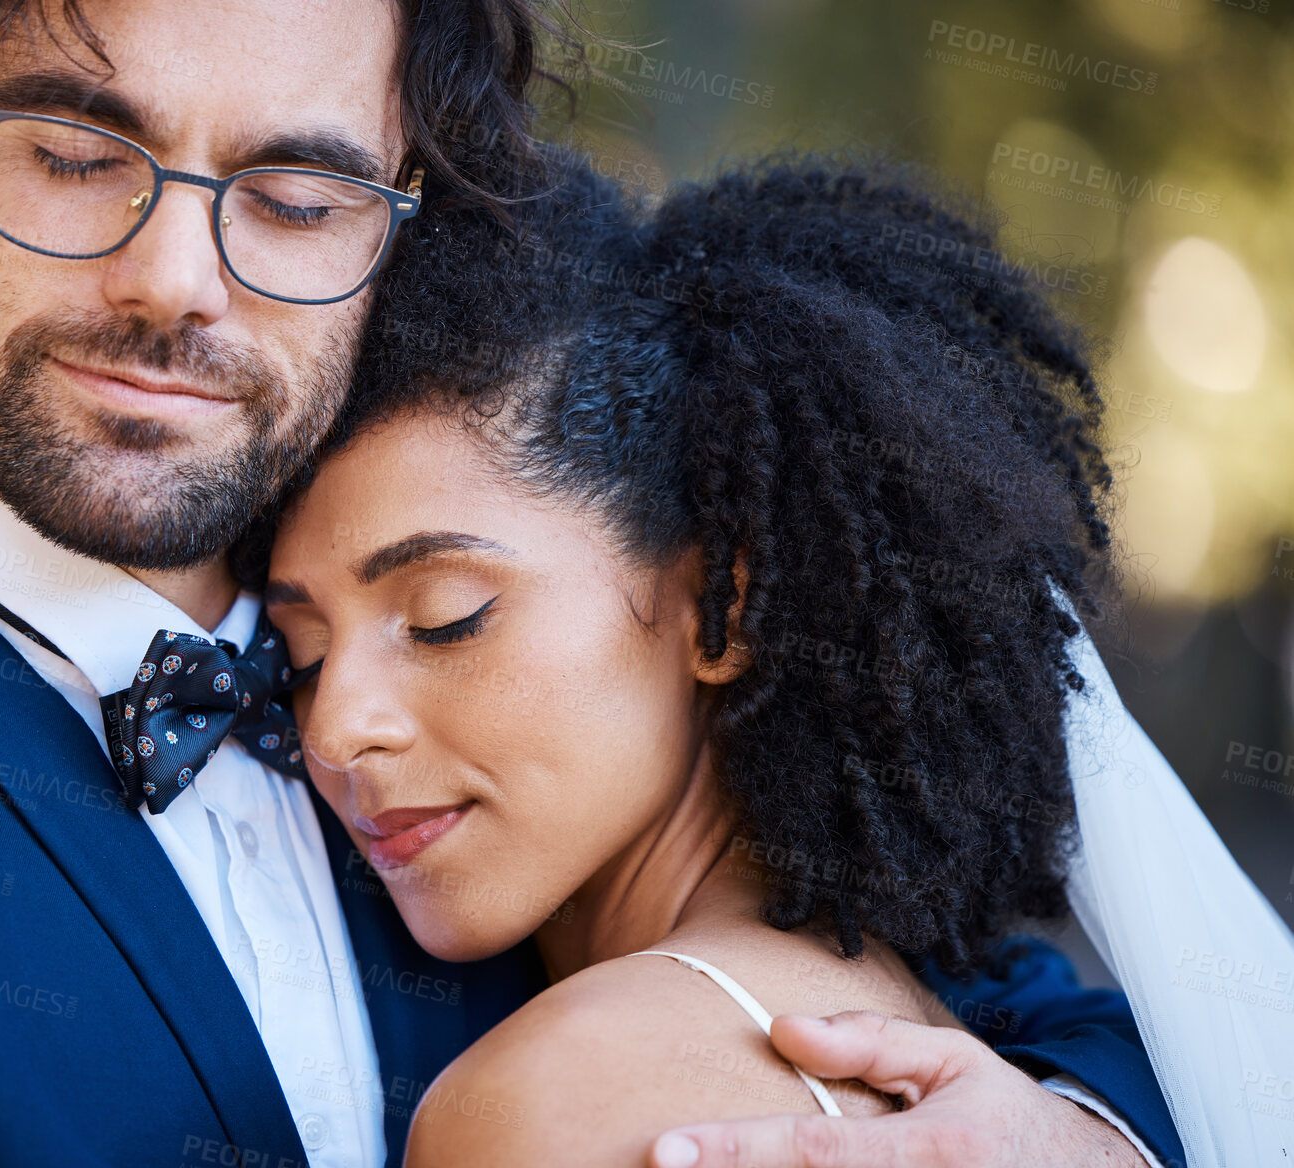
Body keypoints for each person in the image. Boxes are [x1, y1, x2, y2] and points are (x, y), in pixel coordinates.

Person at [0, 0, 1186, 1164]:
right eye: (76, 153)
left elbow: (979, 988)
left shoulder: (520, 762)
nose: (175, 280)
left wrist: (1090, 1140)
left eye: (293, 199)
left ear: (391, 226)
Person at [263, 154, 1286, 1167]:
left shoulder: (546, 1106)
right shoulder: (917, 1010)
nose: (335, 727)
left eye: (447, 619)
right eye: (301, 655)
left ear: (723, 613)